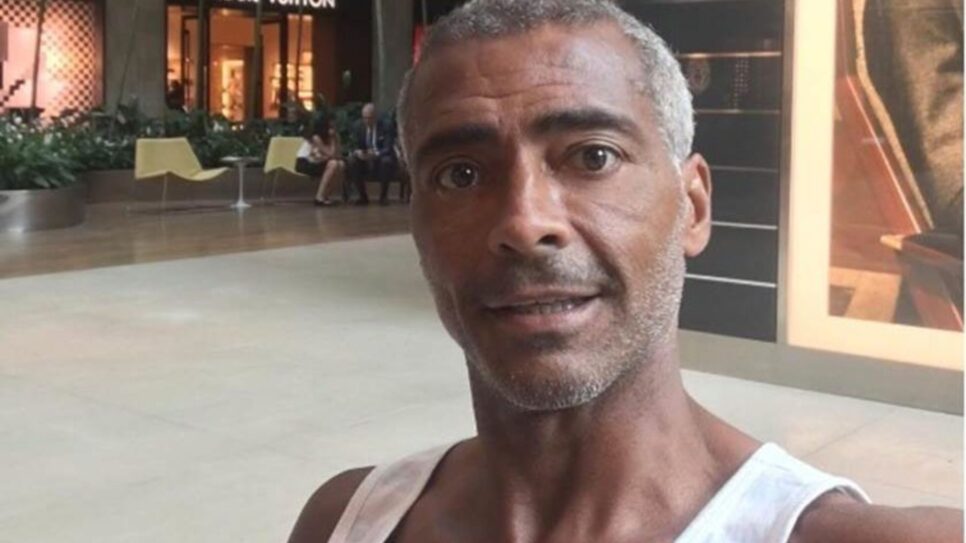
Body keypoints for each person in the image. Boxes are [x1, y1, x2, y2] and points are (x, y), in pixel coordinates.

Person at [289, 1, 963, 542]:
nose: (525, 222)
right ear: (418, 226)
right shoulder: (348, 518)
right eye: (460, 174)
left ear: (693, 207)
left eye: (593, 157)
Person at [345, 102, 398, 206]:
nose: (367, 121)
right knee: (352, 161)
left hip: (380, 158)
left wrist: (375, 154)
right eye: (364, 118)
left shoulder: (386, 126)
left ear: (375, 117)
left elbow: (388, 148)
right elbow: (352, 145)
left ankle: (383, 196)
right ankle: (363, 196)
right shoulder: (358, 126)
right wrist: (358, 152)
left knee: (386, 161)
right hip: (364, 158)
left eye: (369, 118)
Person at [295, 117, 345, 206]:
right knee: (333, 164)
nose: (333, 129)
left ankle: (326, 196)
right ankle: (319, 197)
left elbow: (338, 155)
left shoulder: (332, 137)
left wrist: (336, 139)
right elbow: (331, 154)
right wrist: (333, 140)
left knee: (341, 164)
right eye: (331, 127)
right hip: (305, 162)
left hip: (319, 161)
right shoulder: (316, 138)